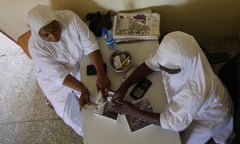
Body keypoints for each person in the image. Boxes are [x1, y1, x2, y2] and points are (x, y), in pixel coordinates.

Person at [112, 31, 233, 144]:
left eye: (164, 68)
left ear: (180, 68)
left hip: (208, 120)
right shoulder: (183, 47)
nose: (159, 67)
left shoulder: (195, 93)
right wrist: (125, 85)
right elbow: (150, 64)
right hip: (205, 99)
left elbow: (173, 122)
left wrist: (133, 111)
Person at [27, 5, 110, 137]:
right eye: (46, 35)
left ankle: (110, 133)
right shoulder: (35, 46)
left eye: (55, 30)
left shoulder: (70, 18)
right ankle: (94, 138)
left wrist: (101, 73)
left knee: (99, 100)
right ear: (38, 34)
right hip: (53, 81)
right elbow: (59, 75)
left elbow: (90, 45)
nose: (53, 37)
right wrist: (82, 89)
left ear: (58, 21)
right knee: (72, 118)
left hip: (76, 67)